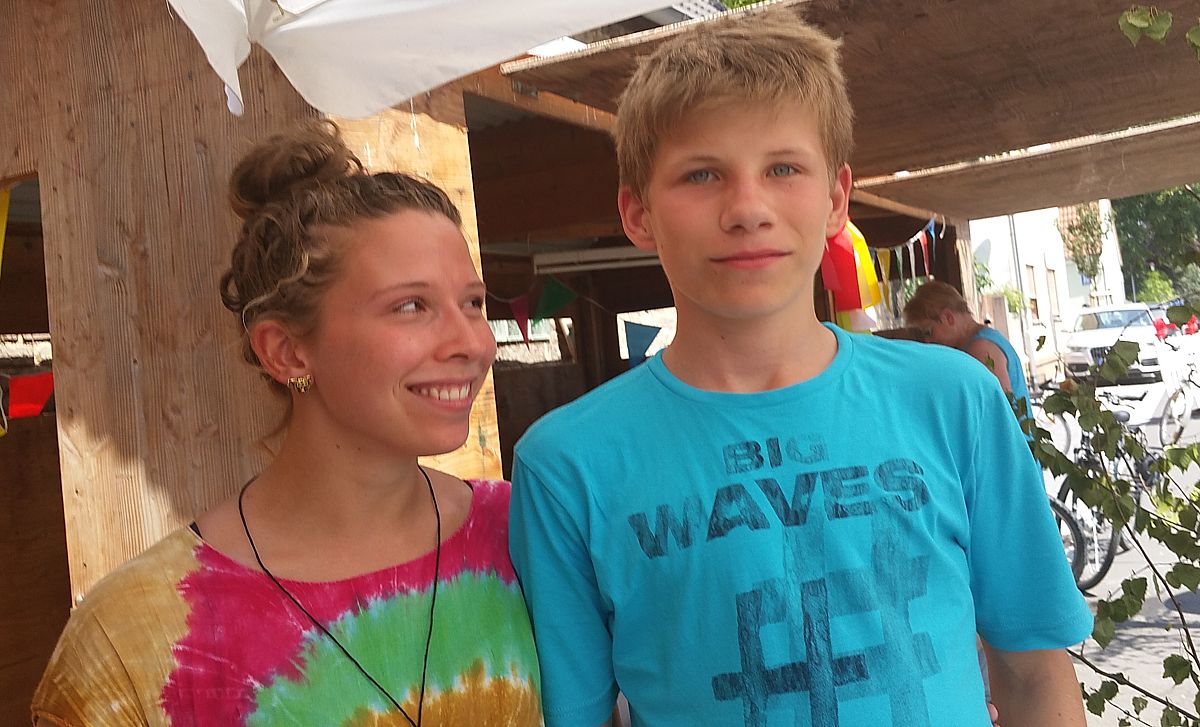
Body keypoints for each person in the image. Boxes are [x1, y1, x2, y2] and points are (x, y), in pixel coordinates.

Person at [509, 14, 1090, 727]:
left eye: (783, 168)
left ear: (836, 199)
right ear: (638, 212)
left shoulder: (953, 399)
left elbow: (1034, 675)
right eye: (701, 174)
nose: (747, 209)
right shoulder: (567, 465)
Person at [32, 122, 543, 726]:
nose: (473, 343)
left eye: (473, 303)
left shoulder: (531, 536)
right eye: (411, 305)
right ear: (287, 352)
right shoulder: (135, 641)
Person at [904, 280, 1031, 417]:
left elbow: (999, 413)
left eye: (928, 331)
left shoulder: (981, 349)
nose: (927, 341)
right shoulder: (982, 340)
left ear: (948, 317)